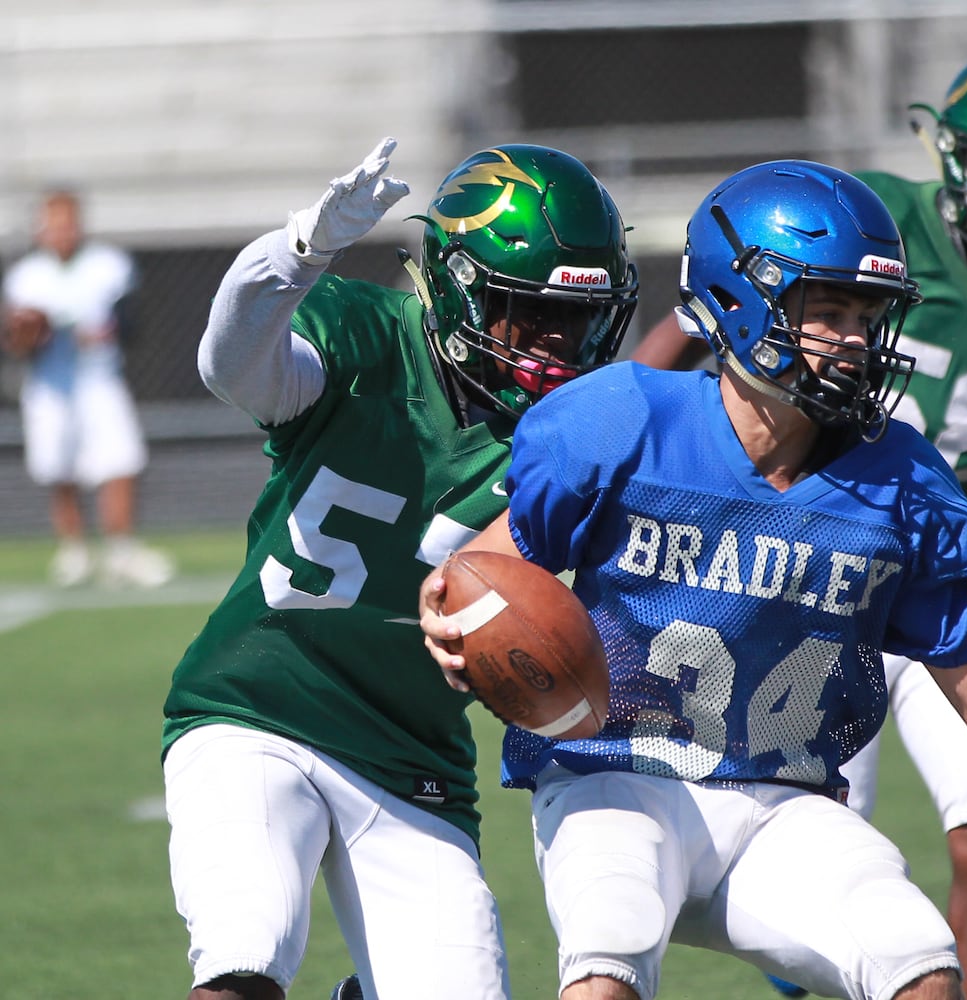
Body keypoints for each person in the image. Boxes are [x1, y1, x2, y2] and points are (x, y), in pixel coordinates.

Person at [630, 40, 967, 1000]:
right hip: (801, 574)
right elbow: (703, 305)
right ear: (955, 163)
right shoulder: (868, 220)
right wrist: (642, 414)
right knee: (801, 835)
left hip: (948, 586)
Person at [420, 159, 967, 1000]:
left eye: (868, 316)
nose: (858, 341)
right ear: (738, 300)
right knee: (610, 952)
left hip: (783, 805)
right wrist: (453, 614)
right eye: (828, 313)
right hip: (616, 776)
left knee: (919, 962)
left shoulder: (900, 481)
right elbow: (485, 575)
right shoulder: (625, 419)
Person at [161, 137, 638, 1000]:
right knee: (244, 957)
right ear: (459, 292)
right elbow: (230, 366)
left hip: (414, 760)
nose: (562, 343)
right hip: (256, 712)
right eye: (533, 313)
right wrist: (299, 250)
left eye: (583, 317)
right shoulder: (366, 338)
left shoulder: (584, 433)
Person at [1, 188, 175, 588]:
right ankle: (74, 550)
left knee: (120, 462)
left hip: (99, 380)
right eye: (53, 224)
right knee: (58, 467)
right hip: (51, 386)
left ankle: (121, 549)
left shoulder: (107, 265)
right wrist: (32, 334)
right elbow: (16, 341)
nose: (61, 232)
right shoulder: (27, 276)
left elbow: (131, 323)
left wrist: (104, 332)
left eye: (68, 223)